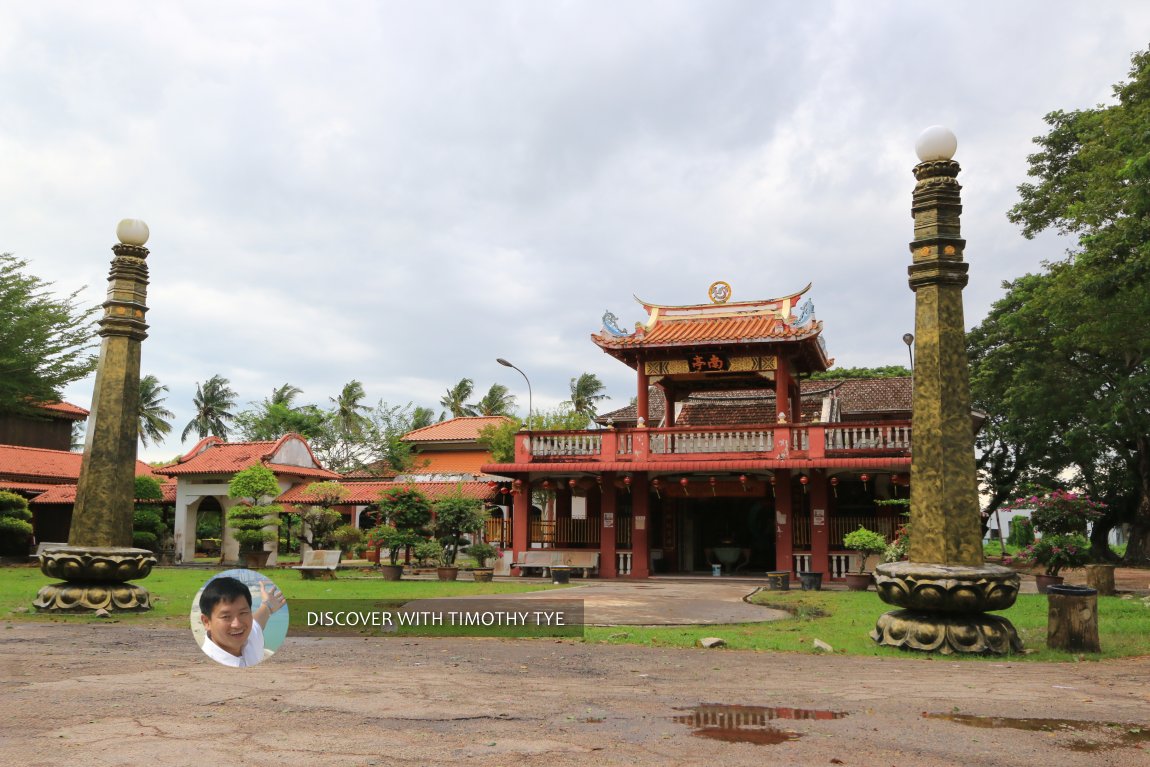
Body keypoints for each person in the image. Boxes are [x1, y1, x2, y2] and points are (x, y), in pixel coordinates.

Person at [198, 576, 285, 668]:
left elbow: (258, 621)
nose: (237, 625)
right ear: (206, 622)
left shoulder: (250, 636)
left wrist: (268, 605)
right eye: (226, 616)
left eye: (243, 613)